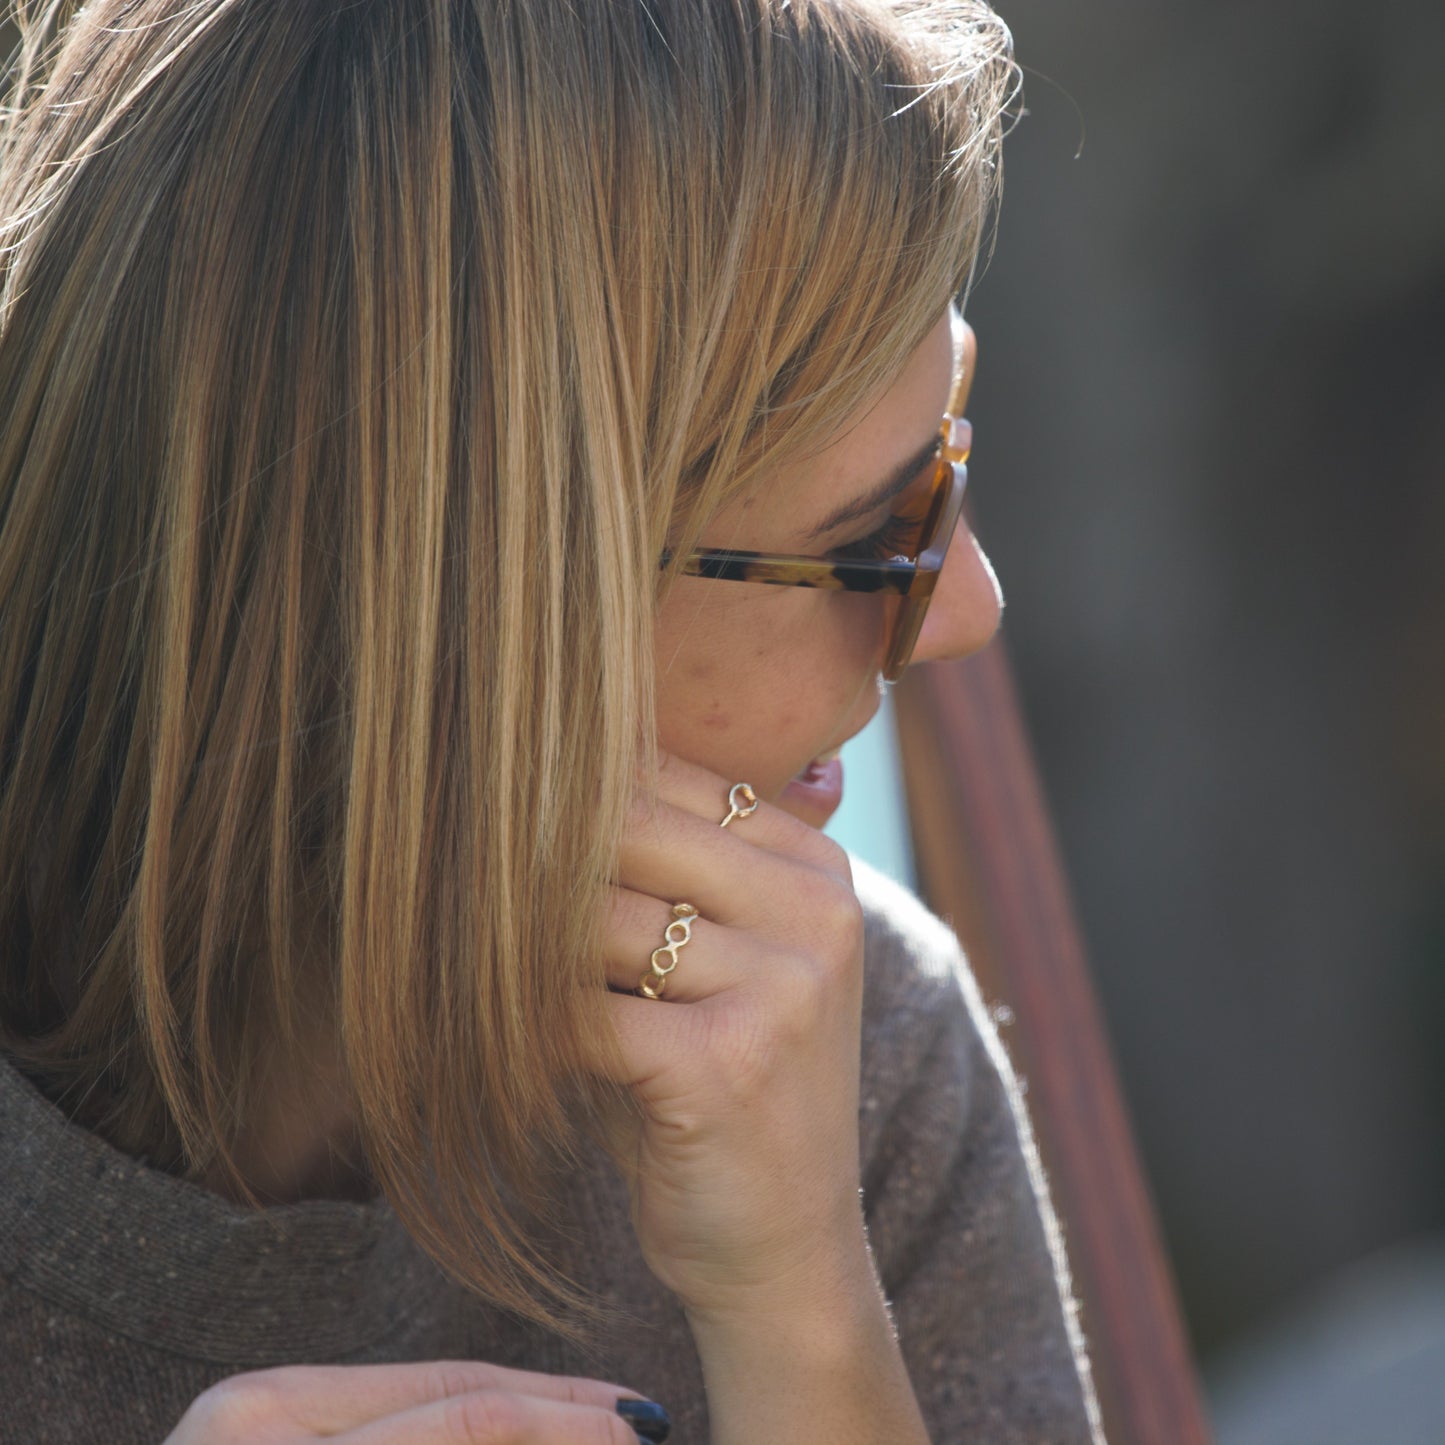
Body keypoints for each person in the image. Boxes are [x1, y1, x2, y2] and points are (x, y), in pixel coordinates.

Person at [0, 0, 1102, 1440]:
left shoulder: (829, 1045)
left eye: (946, 459)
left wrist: (804, 1312)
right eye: (869, 537)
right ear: (449, 613)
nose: (969, 609)